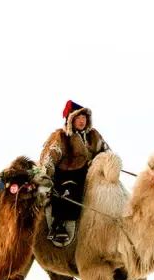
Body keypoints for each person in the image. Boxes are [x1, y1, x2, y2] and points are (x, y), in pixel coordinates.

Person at [39, 100, 110, 247]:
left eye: (84, 117)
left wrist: (110, 163)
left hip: (90, 174)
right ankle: (59, 226)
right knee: (68, 191)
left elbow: (106, 151)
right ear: (71, 120)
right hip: (67, 175)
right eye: (78, 118)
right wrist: (46, 175)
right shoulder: (62, 137)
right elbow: (50, 157)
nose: (82, 121)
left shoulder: (93, 136)